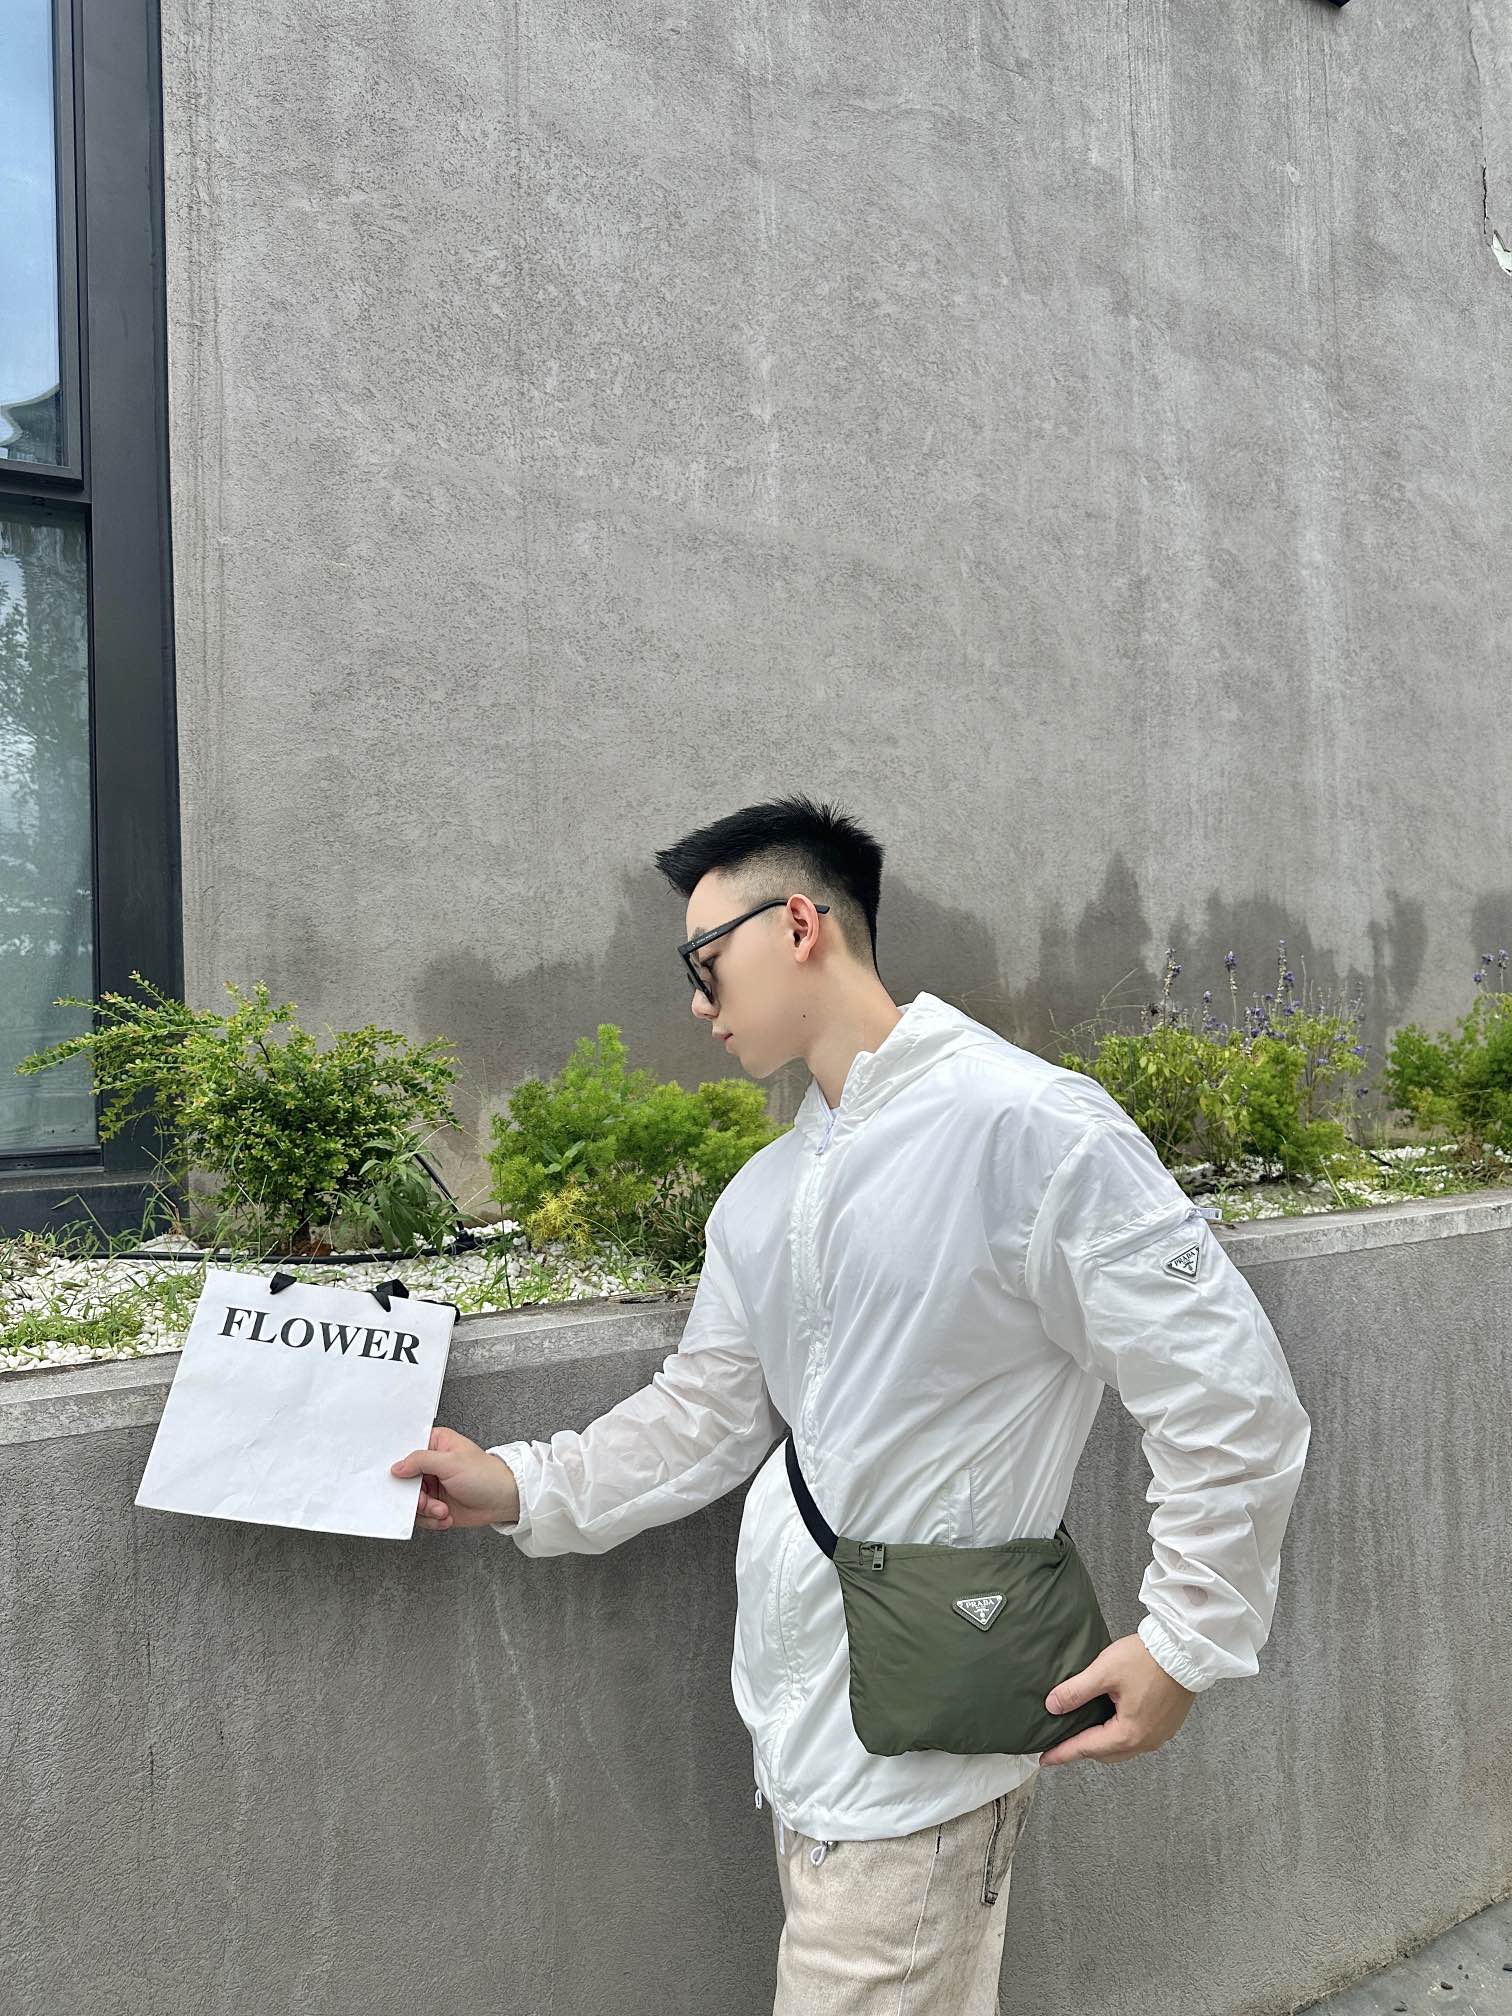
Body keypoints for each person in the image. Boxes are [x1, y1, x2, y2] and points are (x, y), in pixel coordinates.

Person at [391, 792, 1312, 2014]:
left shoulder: (1030, 1128)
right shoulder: (765, 1194)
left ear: (799, 925)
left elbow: (1230, 1397)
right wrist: (516, 1482)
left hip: (926, 1754)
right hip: (796, 1733)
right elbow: (704, 1413)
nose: (698, 1001)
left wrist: (1186, 1638)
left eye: (705, 961)